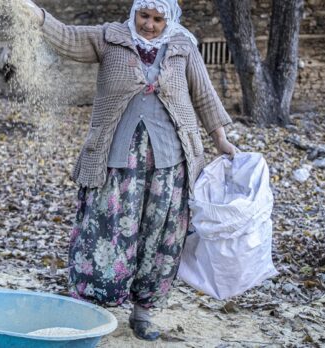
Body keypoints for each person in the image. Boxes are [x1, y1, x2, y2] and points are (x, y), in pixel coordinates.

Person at [15, 0, 239, 341]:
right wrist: (36, 15)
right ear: (134, 13)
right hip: (115, 161)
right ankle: (92, 311)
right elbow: (66, 38)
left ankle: (143, 313)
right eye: (144, 16)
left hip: (169, 162)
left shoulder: (183, 46)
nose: (149, 24)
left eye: (157, 19)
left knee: (159, 237)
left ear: (170, 19)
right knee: (104, 232)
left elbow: (204, 95)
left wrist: (220, 139)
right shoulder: (111, 38)